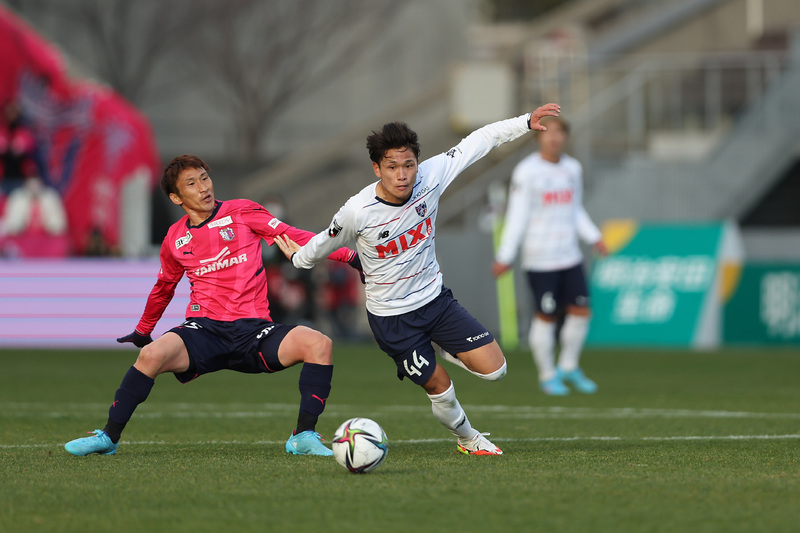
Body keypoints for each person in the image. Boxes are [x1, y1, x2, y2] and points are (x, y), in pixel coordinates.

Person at [274, 103, 561, 455]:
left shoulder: (432, 175)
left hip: (436, 302)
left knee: (495, 371)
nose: (402, 175)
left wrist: (524, 122)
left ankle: (441, 345)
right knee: (440, 384)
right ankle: (469, 439)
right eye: (392, 167)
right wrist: (298, 257)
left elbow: (479, 141)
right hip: (393, 320)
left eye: (408, 165)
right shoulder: (357, 211)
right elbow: (320, 245)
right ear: (376, 168)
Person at [64, 154, 362, 457]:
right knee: (150, 354)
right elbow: (164, 287)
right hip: (204, 331)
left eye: (205, 177)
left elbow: (295, 237)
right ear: (176, 197)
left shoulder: (243, 211)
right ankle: (108, 437)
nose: (204, 187)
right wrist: (143, 331)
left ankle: (303, 436)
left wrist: (350, 257)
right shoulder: (175, 238)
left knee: (320, 344)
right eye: (191, 184)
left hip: (254, 331)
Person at [491, 116, 607, 396]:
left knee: (581, 311)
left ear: (566, 137)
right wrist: (506, 254)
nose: (553, 138)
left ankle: (568, 365)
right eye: (548, 133)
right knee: (546, 316)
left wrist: (594, 237)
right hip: (540, 259)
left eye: (559, 133)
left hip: (570, 256)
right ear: (539, 138)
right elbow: (517, 216)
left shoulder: (572, 168)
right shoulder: (527, 172)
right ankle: (547, 375)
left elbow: (575, 209)